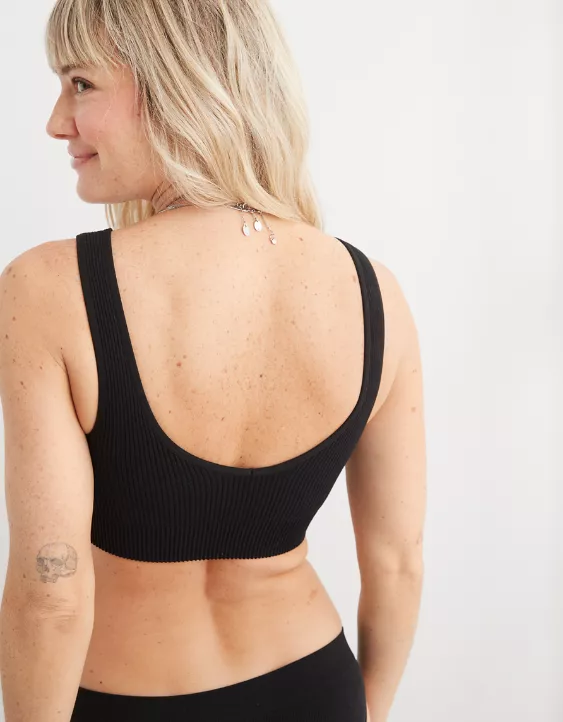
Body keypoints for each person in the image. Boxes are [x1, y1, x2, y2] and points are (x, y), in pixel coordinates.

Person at [0, 1, 426, 721]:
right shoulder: (373, 292)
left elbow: (52, 594)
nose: (56, 122)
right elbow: (397, 562)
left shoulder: (48, 289)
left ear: (175, 81)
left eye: (80, 84)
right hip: (315, 689)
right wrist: (369, 711)